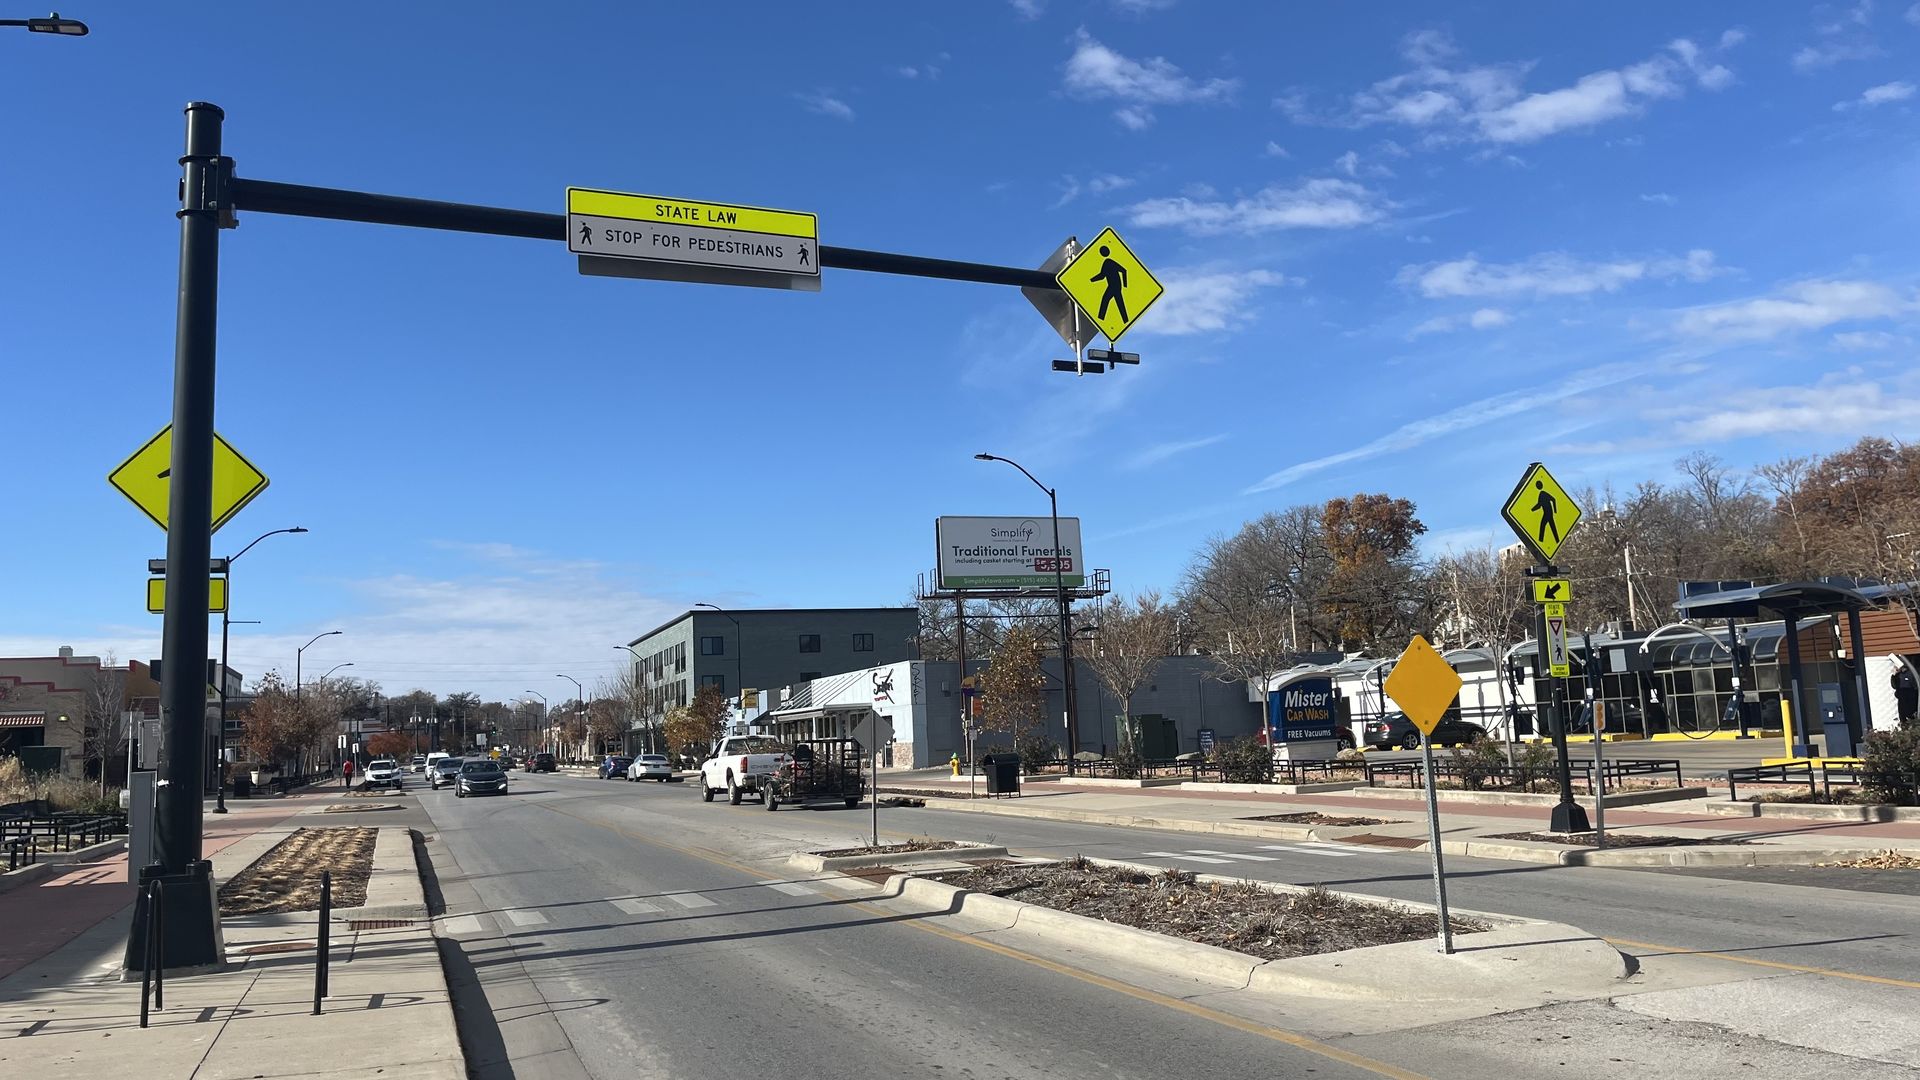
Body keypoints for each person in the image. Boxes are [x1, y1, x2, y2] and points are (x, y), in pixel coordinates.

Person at [1892, 660, 1917, 726]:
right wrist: (1893, 675)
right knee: (1902, 715)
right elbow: (1894, 686)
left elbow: (1915, 685)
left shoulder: (1910, 673)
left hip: (1909, 696)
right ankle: (1904, 726)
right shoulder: (1898, 675)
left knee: (1910, 713)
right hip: (1901, 697)